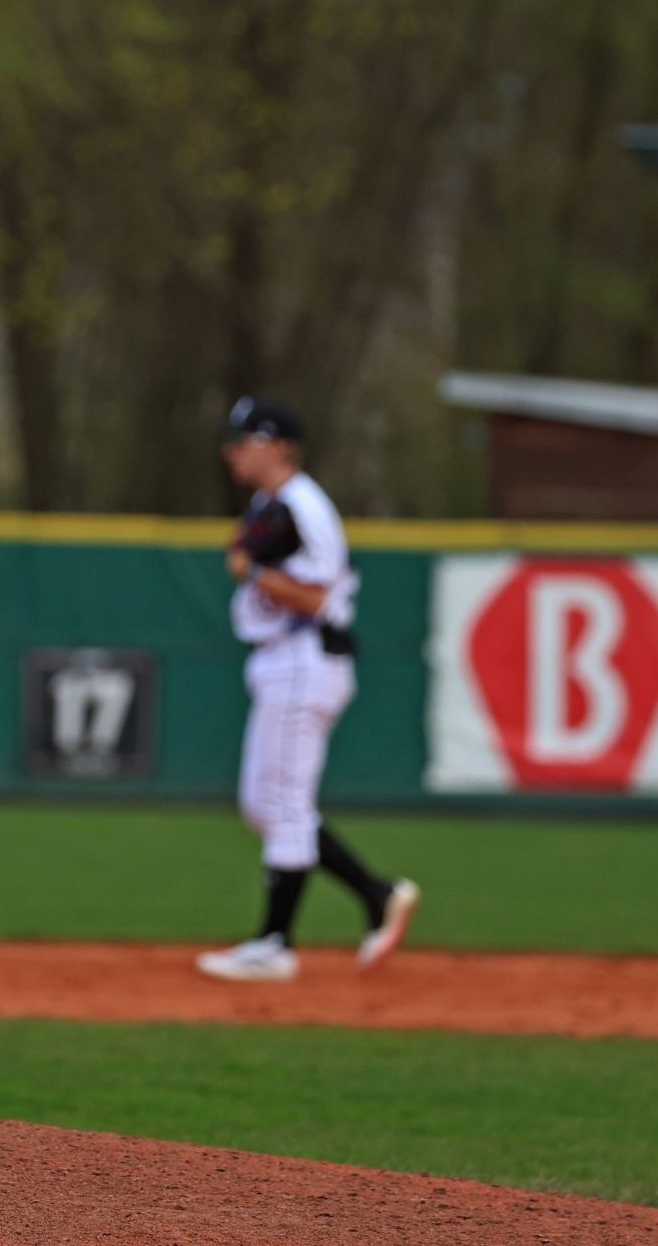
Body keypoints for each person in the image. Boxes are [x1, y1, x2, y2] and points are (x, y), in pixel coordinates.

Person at [196, 396, 419, 983]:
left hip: (304, 658)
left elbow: (318, 599)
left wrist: (250, 571)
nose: (232, 452)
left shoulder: (303, 507)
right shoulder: (273, 504)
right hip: (284, 660)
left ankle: (275, 943)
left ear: (277, 445)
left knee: (286, 805)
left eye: (244, 442)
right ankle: (376, 893)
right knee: (263, 806)